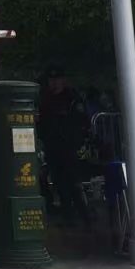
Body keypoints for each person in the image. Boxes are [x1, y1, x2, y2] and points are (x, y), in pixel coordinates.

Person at [38, 66, 92, 224]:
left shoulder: (72, 98)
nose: (54, 83)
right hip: (52, 147)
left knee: (74, 183)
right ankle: (68, 216)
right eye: (51, 80)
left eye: (57, 79)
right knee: (59, 183)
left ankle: (85, 217)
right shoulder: (46, 99)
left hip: (69, 148)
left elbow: (82, 122)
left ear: (63, 80)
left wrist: (77, 142)